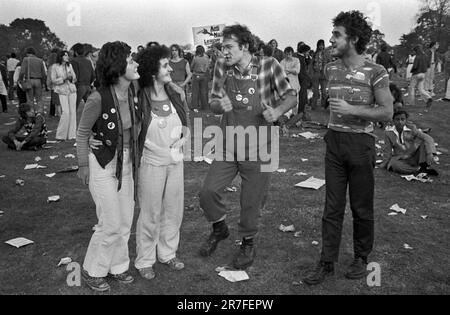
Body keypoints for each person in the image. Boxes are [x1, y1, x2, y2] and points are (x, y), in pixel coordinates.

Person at [303, 10, 393, 285]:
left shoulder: (376, 72)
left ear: (352, 39)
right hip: (334, 141)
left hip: (361, 144)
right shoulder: (330, 68)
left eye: (336, 35)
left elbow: (387, 112)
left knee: (361, 206)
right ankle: (326, 261)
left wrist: (353, 108)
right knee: (332, 207)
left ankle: (361, 257)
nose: (331, 39)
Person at [198, 24, 297, 270]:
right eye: (222, 47)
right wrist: (220, 106)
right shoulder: (222, 66)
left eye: (229, 47)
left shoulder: (269, 66)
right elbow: (213, 101)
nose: (225, 52)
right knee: (208, 191)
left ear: (244, 46)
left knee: (251, 201)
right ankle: (219, 228)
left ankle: (247, 242)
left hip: (260, 145)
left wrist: (278, 111)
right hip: (228, 143)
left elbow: (291, 96)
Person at [76, 41, 141, 292]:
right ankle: (93, 270)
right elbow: (82, 134)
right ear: (117, 65)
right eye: (130, 58)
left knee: (125, 219)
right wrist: (83, 165)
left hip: (126, 163)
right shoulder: (97, 97)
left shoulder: (132, 92)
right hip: (102, 163)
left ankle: (118, 267)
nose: (135, 63)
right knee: (110, 222)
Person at [134, 45, 190, 280]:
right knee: (150, 211)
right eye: (165, 65)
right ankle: (145, 259)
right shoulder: (139, 96)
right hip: (152, 162)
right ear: (152, 70)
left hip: (176, 161)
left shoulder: (176, 92)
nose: (170, 68)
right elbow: (135, 129)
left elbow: (186, 122)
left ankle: (168, 253)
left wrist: (184, 138)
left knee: (173, 209)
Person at [380, 110, 438, 175]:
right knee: (394, 165)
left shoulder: (412, 128)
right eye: (397, 119)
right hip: (401, 158)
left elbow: (428, 138)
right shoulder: (388, 133)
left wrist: (430, 153)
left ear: (406, 120)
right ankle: (419, 170)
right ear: (393, 120)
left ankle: (423, 166)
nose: (400, 122)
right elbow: (387, 150)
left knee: (423, 142)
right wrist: (385, 164)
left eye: (402, 119)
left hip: (414, 156)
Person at [51, 50, 77, 141]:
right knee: (65, 112)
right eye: (65, 55)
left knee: (73, 112)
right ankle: (61, 135)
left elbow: (75, 78)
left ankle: (72, 135)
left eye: (67, 55)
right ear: (61, 56)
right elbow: (53, 80)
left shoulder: (70, 65)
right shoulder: (55, 67)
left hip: (72, 90)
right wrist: (63, 78)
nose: (67, 57)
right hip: (61, 91)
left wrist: (72, 78)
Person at [19, 47, 47, 113]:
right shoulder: (40, 60)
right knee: (39, 100)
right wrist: (42, 83)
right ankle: (40, 114)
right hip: (38, 80)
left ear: (27, 53)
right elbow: (43, 74)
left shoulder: (26, 59)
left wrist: (20, 80)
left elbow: (22, 72)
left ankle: (31, 114)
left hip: (29, 80)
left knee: (30, 100)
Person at [71, 43, 95, 111]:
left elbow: (75, 76)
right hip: (88, 86)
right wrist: (88, 83)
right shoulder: (88, 61)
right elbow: (93, 75)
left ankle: (73, 121)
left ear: (75, 52)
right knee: (91, 108)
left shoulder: (74, 61)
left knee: (74, 108)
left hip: (79, 86)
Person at [280, 46, 300, 119]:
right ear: (285, 54)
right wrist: (292, 70)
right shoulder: (282, 61)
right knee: (286, 102)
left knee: (295, 102)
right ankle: (286, 117)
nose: (288, 56)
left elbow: (297, 71)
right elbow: (281, 72)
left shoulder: (296, 60)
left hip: (294, 84)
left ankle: (294, 117)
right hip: (285, 85)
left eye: (290, 54)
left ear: (292, 54)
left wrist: (287, 70)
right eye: (287, 54)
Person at [310, 39, 332, 109]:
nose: (321, 46)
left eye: (322, 45)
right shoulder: (314, 54)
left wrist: (328, 72)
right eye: (320, 45)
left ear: (323, 45)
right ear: (318, 45)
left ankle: (324, 105)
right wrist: (311, 73)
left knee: (324, 92)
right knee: (315, 91)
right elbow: (311, 64)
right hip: (316, 74)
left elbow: (330, 63)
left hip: (324, 74)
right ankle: (313, 106)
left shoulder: (327, 53)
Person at [190, 45, 210, 111]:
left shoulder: (195, 58)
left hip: (196, 75)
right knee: (204, 92)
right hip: (204, 75)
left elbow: (192, 66)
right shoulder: (206, 57)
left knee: (195, 92)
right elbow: (208, 66)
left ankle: (195, 106)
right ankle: (205, 106)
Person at [46, 49, 61, 117]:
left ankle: (52, 113)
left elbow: (49, 78)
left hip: (54, 86)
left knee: (53, 100)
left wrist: (48, 85)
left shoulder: (51, 67)